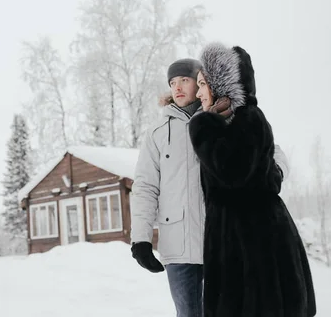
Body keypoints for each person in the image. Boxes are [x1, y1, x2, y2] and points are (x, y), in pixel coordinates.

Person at [130, 57, 290, 317]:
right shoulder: (157, 133)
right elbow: (145, 187)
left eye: (184, 79)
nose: (177, 87)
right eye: (172, 82)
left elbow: (272, 151)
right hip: (179, 248)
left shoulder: (225, 118)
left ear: (201, 83)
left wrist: (275, 174)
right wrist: (140, 238)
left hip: (223, 242)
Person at [189, 43, 316, 317]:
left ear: (220, 83)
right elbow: (261, 176)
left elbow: (231, 172)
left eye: (202, 84)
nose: (197, 93)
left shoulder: (248, 118)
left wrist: (200, 127)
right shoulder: (225, 124)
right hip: (233, 247)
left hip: (257, 250)